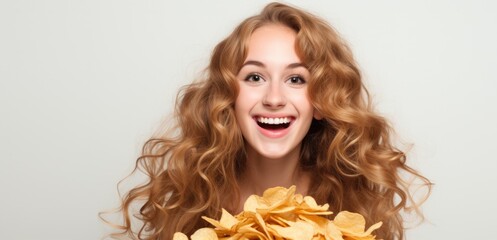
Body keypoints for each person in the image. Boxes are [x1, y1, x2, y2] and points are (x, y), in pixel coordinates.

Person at [108, 2, 431, 240]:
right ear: (229, 97)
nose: (274, 99)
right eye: (255, 77)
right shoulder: (190, 199)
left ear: (321, 102)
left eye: (296, 80)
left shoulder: (352, 204)